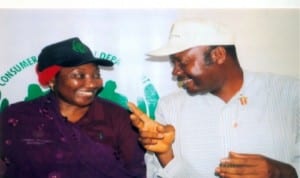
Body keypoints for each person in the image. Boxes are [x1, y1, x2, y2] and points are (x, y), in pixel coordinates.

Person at [127, 18, 299, 178]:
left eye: (183, 62)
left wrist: (281, 172)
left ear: (218, 55)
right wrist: (166, 155)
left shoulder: (291, 94)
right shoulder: (169, 107)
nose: (175, 71)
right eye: (174, 63)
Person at [0, 37, 146, 178]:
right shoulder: (17, 117)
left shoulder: (119, 119)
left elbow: (135, 172)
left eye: (96, 75)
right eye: (79, 75)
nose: (92, 84)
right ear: (51, 80)